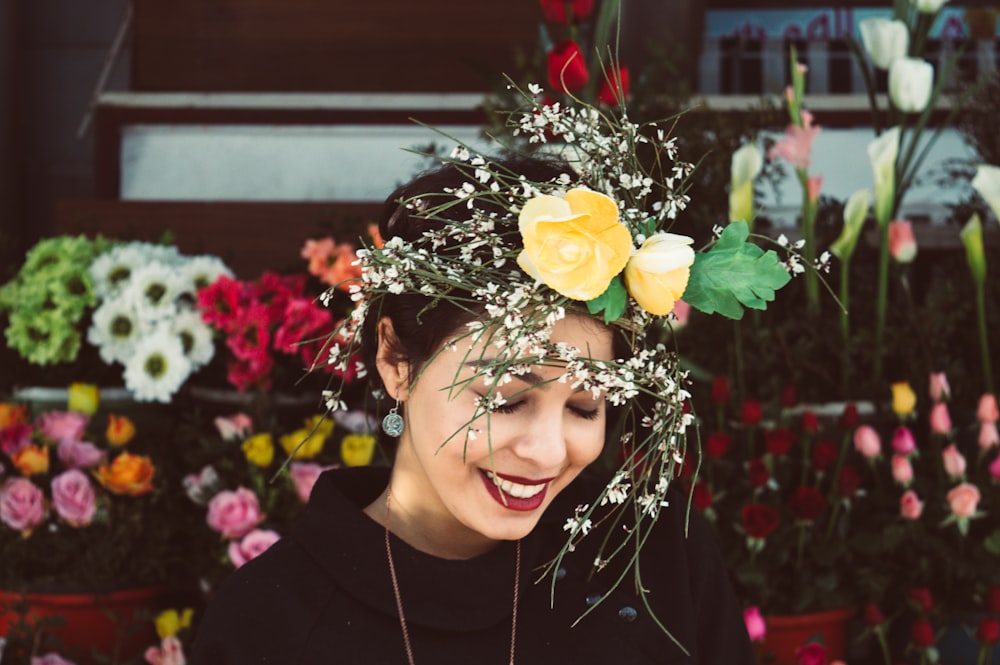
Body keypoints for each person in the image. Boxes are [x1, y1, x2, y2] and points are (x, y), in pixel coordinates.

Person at [191, 96, 757, 664]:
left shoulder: (651, 555)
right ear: (396, 362)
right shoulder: (269, 625)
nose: (546, 452)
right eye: (506, 399)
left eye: (586, 405)